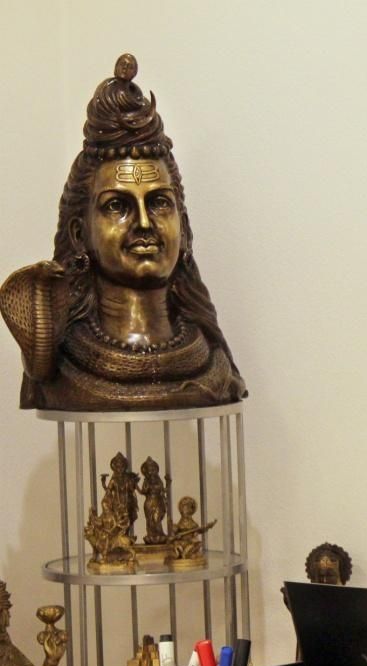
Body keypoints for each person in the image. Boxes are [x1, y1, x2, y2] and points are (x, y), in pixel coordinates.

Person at [0, 53, 245, 411]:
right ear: (79, 233)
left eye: (159, 203)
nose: (144, 223)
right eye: (117, 206)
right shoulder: (61, 369)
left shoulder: (216, 370)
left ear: (183, 225)